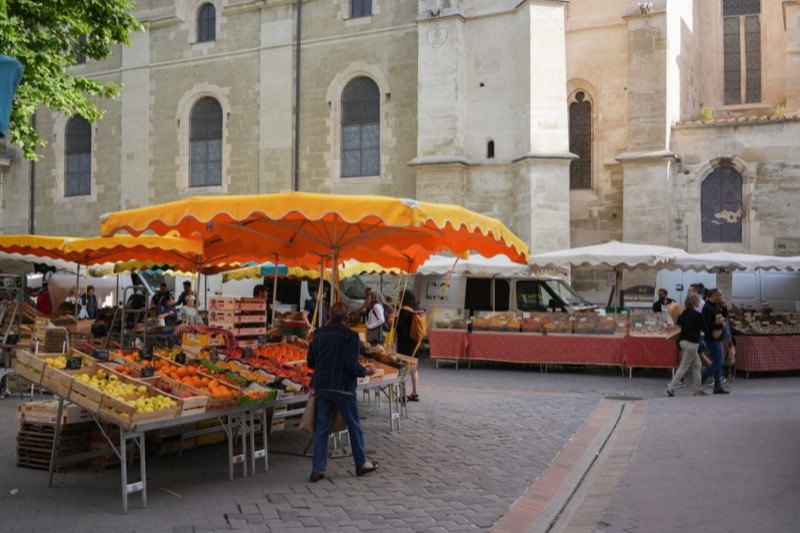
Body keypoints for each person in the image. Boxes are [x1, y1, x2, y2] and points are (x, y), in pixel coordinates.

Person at [306, 301, 378, 482]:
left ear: (330, 316)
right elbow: (351, 366)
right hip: (343, 387)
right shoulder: (350, 336)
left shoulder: (317, 334)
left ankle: (318, 469)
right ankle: (361, 463)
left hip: (322, 386)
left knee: (322, 427)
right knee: (354, 424)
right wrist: (366, 371)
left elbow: (311, 362)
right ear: (347, 318)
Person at [666, 293, 709, 397]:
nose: (699, 302)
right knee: (684, 366)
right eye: (698, 301)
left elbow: (678, 324)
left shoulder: (683, 313)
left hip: (682, 341)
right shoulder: (698, 315)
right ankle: (671, 387)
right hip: (692, 343)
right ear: (694, 302)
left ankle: (698, 389)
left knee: (697, 364)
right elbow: (705, 329)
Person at [700, 288, 730, 394]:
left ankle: (717, 386)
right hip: (712, 338)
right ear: (713, 295)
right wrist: (720, 326)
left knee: (719, 362)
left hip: (718, 337)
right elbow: (707, 325)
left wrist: (724, 307)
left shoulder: (716, 306)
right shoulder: (707, 308)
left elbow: (723, 317)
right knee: (719, 362)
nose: (721, 297)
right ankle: (700, 380)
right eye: (719, 295)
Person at [396, 291, 421, 402]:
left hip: (404, 344)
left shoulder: (403, 311)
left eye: (400, 297)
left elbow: (398, 328)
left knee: (402, 369)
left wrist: (394, 321)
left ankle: (402, 395)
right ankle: (415, 393)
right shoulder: (416, 309)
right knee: (413, 369)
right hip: (414, 343)